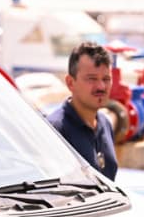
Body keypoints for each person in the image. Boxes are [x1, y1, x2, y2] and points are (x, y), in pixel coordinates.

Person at [47, 41, 118, 180]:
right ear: (70, 83)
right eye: (92, 79)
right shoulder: (56, 130)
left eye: (106, 79)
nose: (101, 86)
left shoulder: (105, 124)